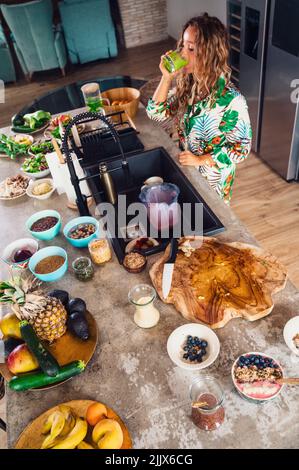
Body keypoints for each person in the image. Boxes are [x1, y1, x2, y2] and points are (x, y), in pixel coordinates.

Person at [146, 14, 252, 204]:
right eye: (184, 46)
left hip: (213, 183)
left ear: (210, 53)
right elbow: (155, 113)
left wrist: (201, 159)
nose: (183, 54)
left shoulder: (232, 101)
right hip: (188, 172)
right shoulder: (189, 86)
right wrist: (166, 77)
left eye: (192, 48)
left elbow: (241, 149)